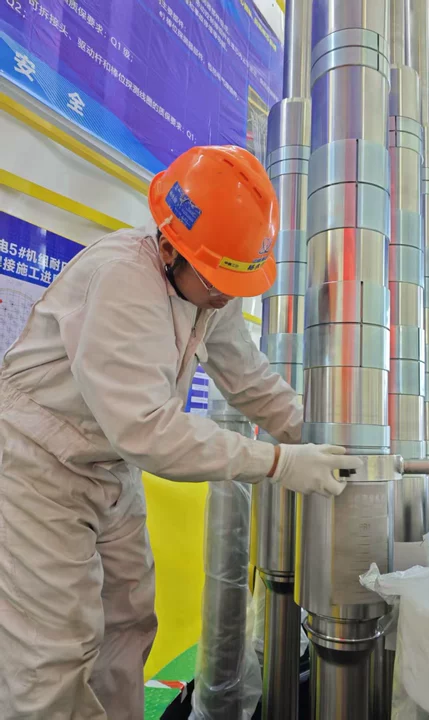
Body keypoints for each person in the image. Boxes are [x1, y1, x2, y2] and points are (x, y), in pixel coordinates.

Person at [0, 145, 360, 720]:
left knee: (127, 620)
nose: (226, 295)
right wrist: (280, 463)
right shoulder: (121, 278)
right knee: (52, 653)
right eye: (218, 280)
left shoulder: (206, 287)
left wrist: (323, 440)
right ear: (170, 247)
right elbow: (149, 431)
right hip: (35, 466)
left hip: (106, 466)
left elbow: (249, 379)